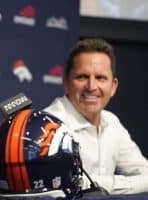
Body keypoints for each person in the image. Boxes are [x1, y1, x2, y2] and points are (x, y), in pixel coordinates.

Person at [42, 38, 148, 194]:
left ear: (113, 87)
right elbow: (60, 187)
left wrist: (95, 184)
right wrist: (118, 185)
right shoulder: (49, 125)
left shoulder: (112, 122)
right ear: (65, 83)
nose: (91, 87)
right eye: (82, 77)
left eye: (101, 78)